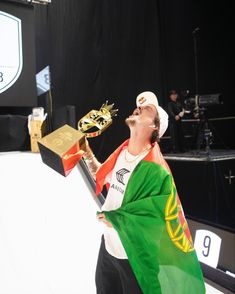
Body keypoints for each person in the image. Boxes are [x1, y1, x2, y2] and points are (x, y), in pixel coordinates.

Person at [83, 91, 205, 294]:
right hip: (109, 247)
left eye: (147, 109)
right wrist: (85, 151)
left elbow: (157, 219)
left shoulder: (157, 170)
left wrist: (117, 219)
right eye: (138, 107)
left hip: (135, 257)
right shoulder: (122, 153)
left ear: (155, 126)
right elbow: (103, 176)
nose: (138, 108)